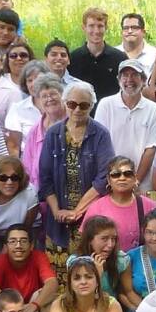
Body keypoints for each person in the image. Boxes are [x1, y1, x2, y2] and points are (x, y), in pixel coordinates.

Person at [40, 83, 116, 252]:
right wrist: (57, 211)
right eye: (72, 104)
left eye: (84, 105)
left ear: (91, 106)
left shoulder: (101, 134)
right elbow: (45, 179)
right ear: (64, 103)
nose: (77, 110)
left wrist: (77, 211)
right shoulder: (53, 134)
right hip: (57, 220)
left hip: (90, 216)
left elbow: (104, 177)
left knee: (89, 270)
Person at [95, 58, 156, 170]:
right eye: (125, 75)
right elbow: (99, 145)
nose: (129, 79)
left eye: (134, 75)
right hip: (111, 178)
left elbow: (151, 149)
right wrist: (113, 178)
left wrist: (136, 181)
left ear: (143, 80)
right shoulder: (105, 105)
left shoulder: (153, 109)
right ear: (118, 80)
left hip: (142, 182)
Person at [78, 156, 149, 260]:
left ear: (135, 178)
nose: (122, 178)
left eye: (127, 174)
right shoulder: (96, 208)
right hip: (107, 269)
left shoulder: (149, 206)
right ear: (108, 180)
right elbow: (85, 244)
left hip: (140, 268)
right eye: (116, 174)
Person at [0, 225, 58, 312]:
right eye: (13, 241)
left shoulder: (39, 257)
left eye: (23, 241)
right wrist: (14, 311)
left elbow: (52, 283)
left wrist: (34, 305)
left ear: (31, 245)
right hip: (8, 311)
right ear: (6, 247)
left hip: (32, 306)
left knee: (50, 298)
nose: (18, 246)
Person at [9, 69, 65, 172]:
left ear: (62, 95)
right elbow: (28, 165)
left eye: (53, 94)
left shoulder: (72, 122)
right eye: (44, 96)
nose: (49, 99)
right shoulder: (35, 131)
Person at [121, 209, 156, 311]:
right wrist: (146, 311)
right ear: (143, 233)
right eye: (149, 232)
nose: (155, 238)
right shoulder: (131, 257)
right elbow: (124, 292)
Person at [69, 7, 127, 98]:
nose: (96, 31)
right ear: (83, 27)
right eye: (91, 26)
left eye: (100, 26)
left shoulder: (119, 58)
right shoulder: (73, 58)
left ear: (106, 28)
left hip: (111, 111)